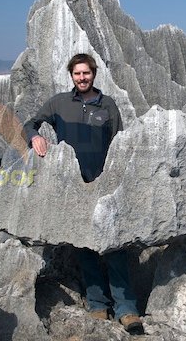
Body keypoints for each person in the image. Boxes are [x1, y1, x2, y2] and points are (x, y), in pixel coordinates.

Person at [22, 53, 144, 335]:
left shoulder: (108, 105)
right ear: (72, 76)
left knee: (115, 248)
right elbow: (30, 124)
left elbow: (120, 145)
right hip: (74, 187)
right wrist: (35, 137)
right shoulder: (59, 104)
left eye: (86, 73)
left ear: (93, 74)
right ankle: (97, 305)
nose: (82, 78)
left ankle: (127, 311)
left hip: (105, 185)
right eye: (77, 74)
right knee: (84, 248)